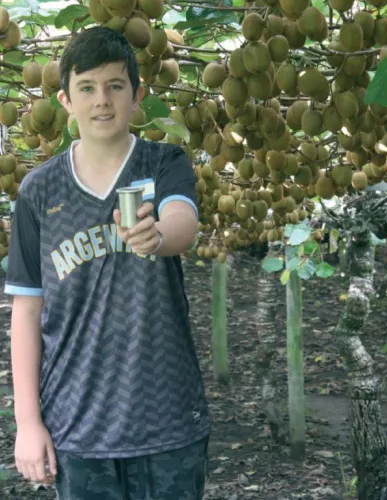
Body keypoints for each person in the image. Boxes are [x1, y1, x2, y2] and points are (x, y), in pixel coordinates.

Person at [5, 26, 210, 500]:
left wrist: (156, 235)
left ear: (137, 95)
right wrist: (28, 424)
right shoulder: (39, 191)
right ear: (65, 100)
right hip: (77, 424)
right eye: (87, 88)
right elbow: (27, 311)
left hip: (168, 419)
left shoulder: (163, 163)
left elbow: (183, 222)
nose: (102, 100)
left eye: (115, 86)